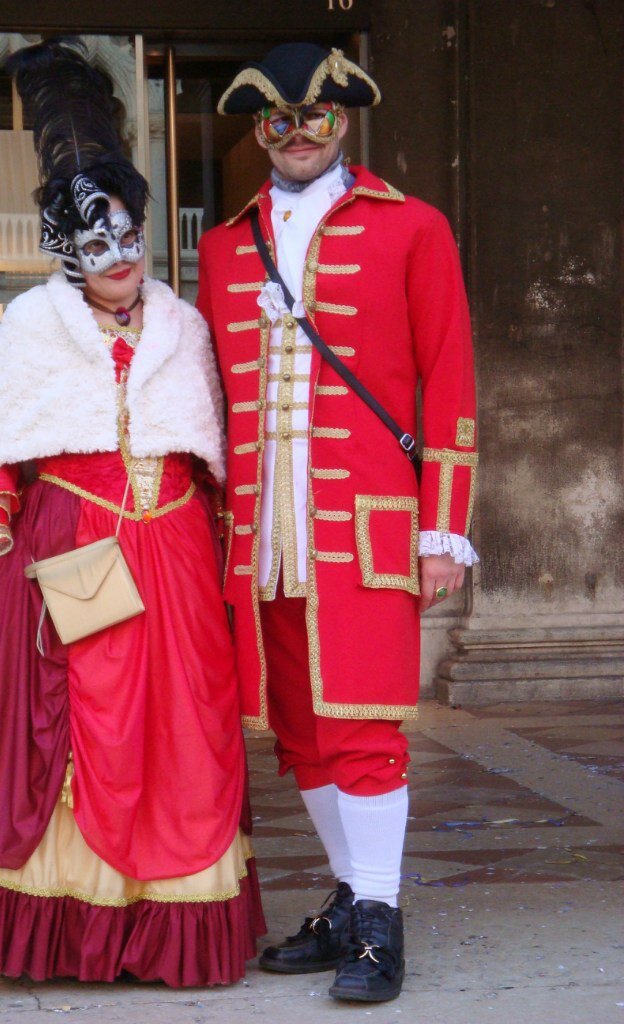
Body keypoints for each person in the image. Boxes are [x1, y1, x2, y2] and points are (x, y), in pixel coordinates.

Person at [0, 39, 264, 987]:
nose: (120, 258)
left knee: (180, 732)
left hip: (175, 559)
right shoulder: (33, 323)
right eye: (98, 243)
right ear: (67, 249)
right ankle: (76, 931)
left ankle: (166, 924)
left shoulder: (183, 324)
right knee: (81, 728)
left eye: (130, 237)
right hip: (73, 552)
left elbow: (215, 452)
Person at [196, 43, 478, 1003]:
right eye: (279, 120)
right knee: (301, 734)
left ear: (343, 121)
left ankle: (381, 921)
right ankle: (354, 900)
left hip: (366, 525)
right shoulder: (224, 246)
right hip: (260, 534)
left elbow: (450, 380)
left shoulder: (415, 227)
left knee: (364, 727)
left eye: (315, 117)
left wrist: (443, 530)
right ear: (259, 130)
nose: (298, 135)